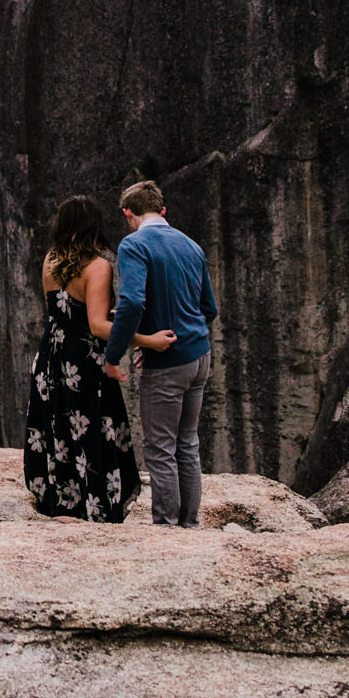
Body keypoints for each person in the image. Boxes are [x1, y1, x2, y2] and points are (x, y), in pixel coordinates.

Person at [24, 195, 176, 522]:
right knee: (94, 427)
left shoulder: (50, 260)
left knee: (59, 427)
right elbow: (96, 324)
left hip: (50, 356)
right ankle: (97, 504)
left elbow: (61, 313)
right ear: (94, 224)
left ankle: (61, 501)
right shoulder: (98, 265)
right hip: (82, 361)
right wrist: (146, 339)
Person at [101, 180, 219, 528]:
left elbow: (132, 302)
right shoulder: (191, 245)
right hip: (199, 354)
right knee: (188, 443)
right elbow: (208, 308)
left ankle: (167, 528)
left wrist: (115, 354)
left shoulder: (134, 245)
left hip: (169, 363)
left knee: (161, 449)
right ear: (162, 211)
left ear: (128, 214)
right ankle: (190, 524)